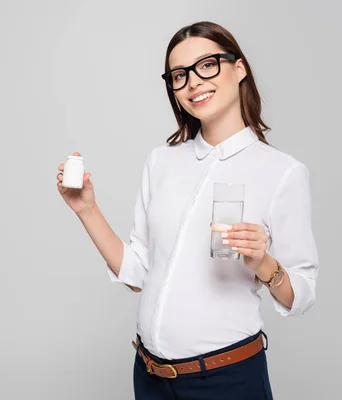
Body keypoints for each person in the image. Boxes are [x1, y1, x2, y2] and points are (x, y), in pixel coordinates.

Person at [56, 21, 318, 400]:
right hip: (149, 377)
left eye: (207, 65)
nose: (194, 82)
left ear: (239, 68)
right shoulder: (162, 162)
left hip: (226, 380)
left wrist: (264, 263)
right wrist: (87, 210)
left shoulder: (282, 172)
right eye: (180, 75)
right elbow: (138, 275)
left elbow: (303, 293)